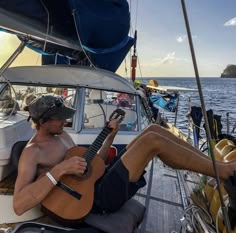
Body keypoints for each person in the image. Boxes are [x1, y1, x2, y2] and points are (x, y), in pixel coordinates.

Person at [13, 95, 235, 217]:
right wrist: (60, 169)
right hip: (92, 200)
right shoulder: (32, 152)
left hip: (97, 182)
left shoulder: (61, 137)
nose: (65, 121)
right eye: (59, 118)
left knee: (153, 131)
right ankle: (225, 172)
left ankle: (215, 164)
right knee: (152, 143)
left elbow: (91, 163)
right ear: (42, 122)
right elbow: (19, 205)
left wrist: (109, 136)